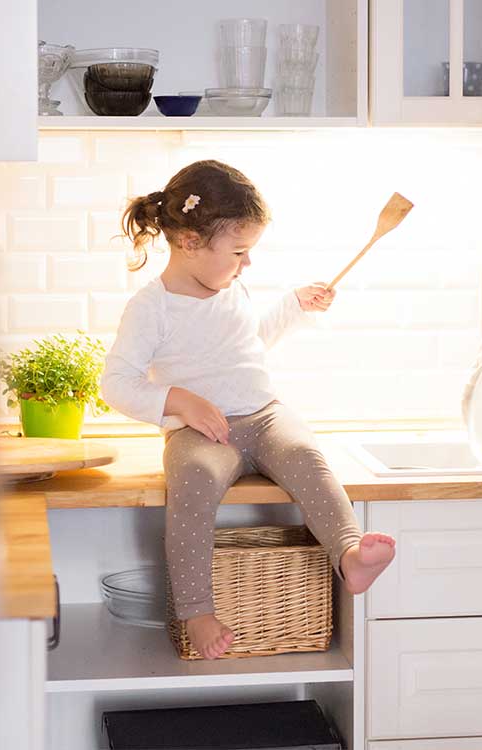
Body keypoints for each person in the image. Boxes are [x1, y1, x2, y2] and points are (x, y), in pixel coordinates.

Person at [101, 160, 396, 660]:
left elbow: (249, 343)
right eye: (239, 251)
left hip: (263, 414)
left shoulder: (230, 285)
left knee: (305, 452)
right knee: (192, 482)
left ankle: (349, 555)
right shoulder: (151, 307)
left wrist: (293, 306)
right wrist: (178, 401)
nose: (247, 264)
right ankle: (196, 611)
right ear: (189, 241)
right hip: (200, 432)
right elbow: (116, 384)